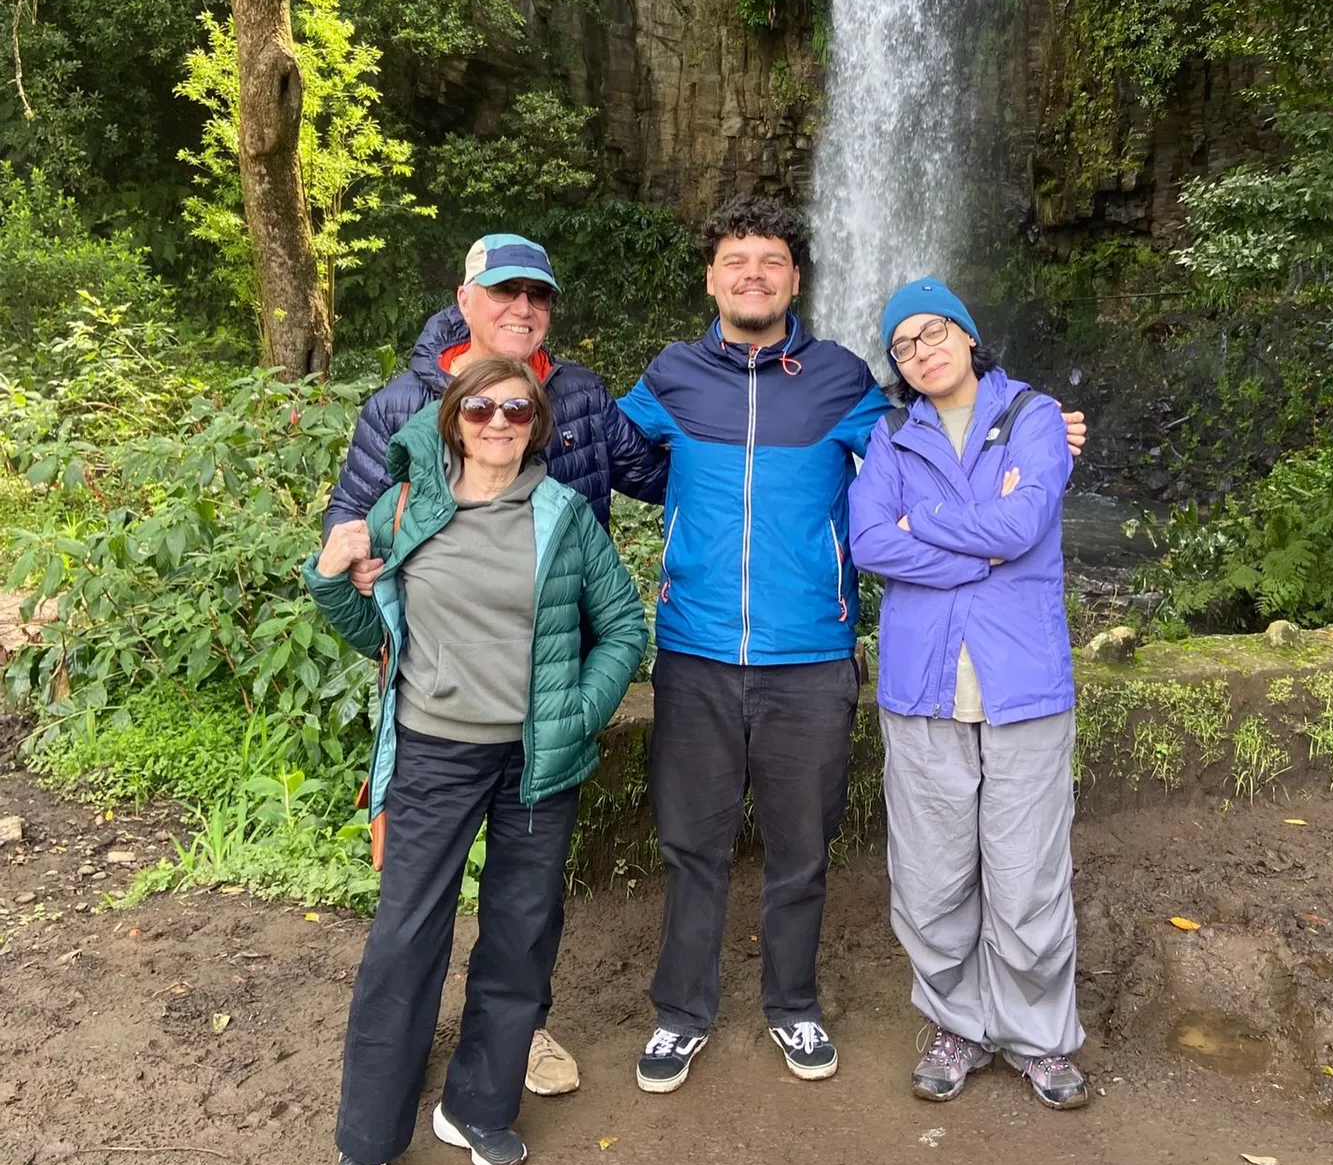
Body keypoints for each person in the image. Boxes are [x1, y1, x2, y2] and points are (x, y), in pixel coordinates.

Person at [614, 198, 1088, 1094]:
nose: (753, 274)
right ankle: (681, 1014)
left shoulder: (842, 380)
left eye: (771, 260)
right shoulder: (673, 376)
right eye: (735, 260)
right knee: (690, 844)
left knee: (802, 849)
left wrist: (1045, 433)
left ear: (796, 278)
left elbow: (935, 434)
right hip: (697, 647)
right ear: (712, 278)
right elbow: (612, 452)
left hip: (810, 655)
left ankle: (793, 1006)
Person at [326, 232, 669, 1099]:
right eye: (505, 291)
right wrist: (356, 568)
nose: (523, 308)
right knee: (415, 909)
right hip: (440, 698)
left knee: (525, 907)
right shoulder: (403, 401)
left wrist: (749, 419)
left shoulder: (580, 394)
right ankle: (394, 1067)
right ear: (465, 298)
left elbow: (660, 474)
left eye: (538, 295)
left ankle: (517, 1040)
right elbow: (351, 524)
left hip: (547, 696)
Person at [304, 355, 647, 1165]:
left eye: (517, 410)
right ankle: (366, 1143)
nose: (499, 422)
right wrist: (328, 577)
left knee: (521, 936)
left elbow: (622, 625)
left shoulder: (563, 515)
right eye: (482, 408)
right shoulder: (406, 509)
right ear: (454, 418)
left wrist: (579, 710)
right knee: (405, 939)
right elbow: (371, 626)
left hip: (536, 762)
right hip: (434, 754)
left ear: (536, 426)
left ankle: (479, 1108)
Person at [848, 280, 1087, 1111]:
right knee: (931, 875)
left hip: (1023, 682)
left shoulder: (1034, 415)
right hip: (922, 686)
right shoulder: (890, 436)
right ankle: (958, 1025)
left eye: (934, 332)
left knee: (1028, 876)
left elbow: (1024, 525)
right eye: (903, 345)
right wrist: (978, 546)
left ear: (968, 334)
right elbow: (869, 541)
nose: (922, 351)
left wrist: (923, 523)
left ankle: (1039, 1037)